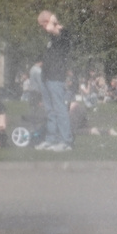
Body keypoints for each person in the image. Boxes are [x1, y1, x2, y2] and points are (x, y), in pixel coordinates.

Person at [36, 10, 73, 152]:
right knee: (50, 111)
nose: (42, 29)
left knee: (59, 109)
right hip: (46, 77)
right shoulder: (51, 37)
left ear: (47, 22)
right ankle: (51, 140)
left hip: (56, 78)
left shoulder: (63, 33)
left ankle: (66, 142)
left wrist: (52, 19)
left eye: (42, 25)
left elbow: (52, 27)